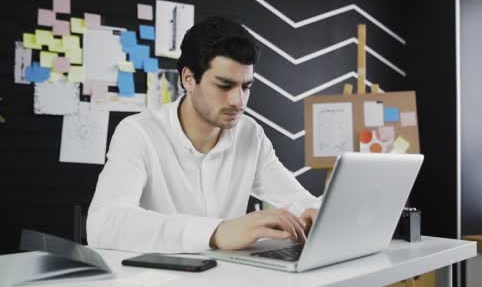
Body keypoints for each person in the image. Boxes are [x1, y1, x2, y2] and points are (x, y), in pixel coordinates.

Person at [87, 16, 321, 253]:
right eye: (224, 85)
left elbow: (296, 198)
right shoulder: (138, 132)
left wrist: (315, 212)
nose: (238, 101)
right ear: (188, 79)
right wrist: (216, 232)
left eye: (246, 86)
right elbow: (103, 225)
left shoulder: (250, 134)